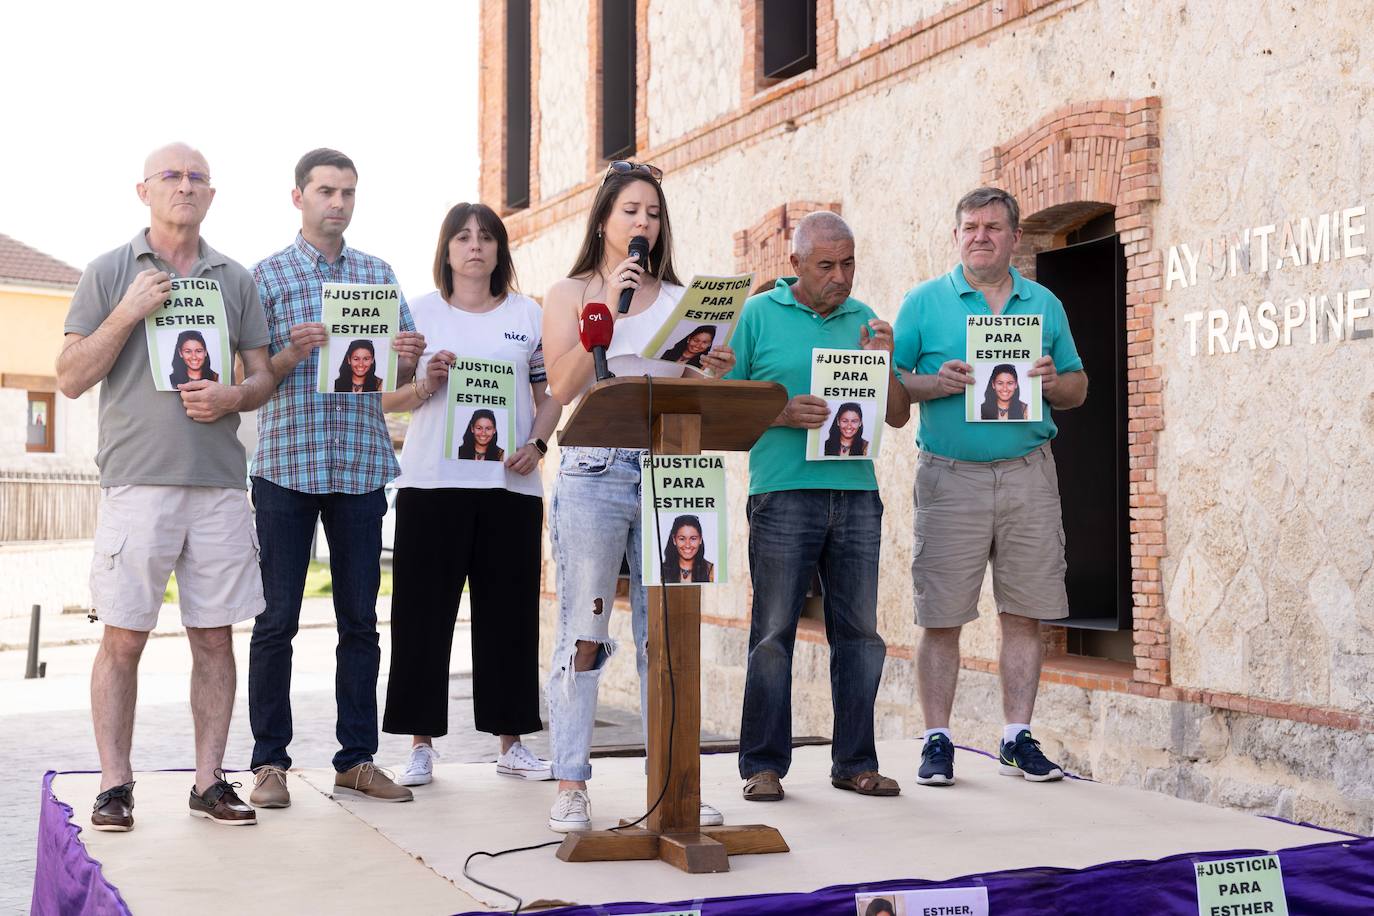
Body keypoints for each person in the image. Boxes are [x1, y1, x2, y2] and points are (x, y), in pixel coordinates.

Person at [57, 142, 279, 830]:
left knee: (215, 638)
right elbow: (67, 376)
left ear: (211, 195)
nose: (185, 187)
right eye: (172, 177)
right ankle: (115, 785)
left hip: (216, 485)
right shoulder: (108, 271)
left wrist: (232, 396)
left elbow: (264, 376)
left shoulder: (234, 279)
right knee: (123, 638)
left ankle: (210, 782)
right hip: (137, 481)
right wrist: (126, 312)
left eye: (197, 179)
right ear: (143, 191)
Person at [541, 160, 735, 832]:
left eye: (652, 213)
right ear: (603, 220)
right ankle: (570, 781)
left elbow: (693, 393)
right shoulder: (568, 292)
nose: (643, 224)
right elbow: (564, 388)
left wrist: (713, 368)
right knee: (585, 629)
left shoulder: (684, 298)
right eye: (630, 211)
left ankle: (675, 778)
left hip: (669, 471)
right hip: (594, 471)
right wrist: (604, 327)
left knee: (670, 634)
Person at [247, 149, 425, 807]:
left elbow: (404, 384)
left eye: (348, 192)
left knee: (360, 622)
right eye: (326, 191)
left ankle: (356, 760)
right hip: (286, 470)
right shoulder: (265, 277)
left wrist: (410, 359)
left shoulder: (378, 276)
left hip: (359, 468)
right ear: (298, 197)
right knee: (276, 622)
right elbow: (250, 382)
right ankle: (269, 764)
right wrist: (292, 351)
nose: (338, 203)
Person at [893, 187, 1088, 787]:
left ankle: (1015, 737)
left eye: (993, 227)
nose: (981, 236)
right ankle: (937, 739)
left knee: (1026, 613)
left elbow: (1079, 389)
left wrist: (1054, 382)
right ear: (956, 236)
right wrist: (933, 382)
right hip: (950, 477)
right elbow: (891, 393)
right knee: (942, 616)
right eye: (970, 227)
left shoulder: (1044, 304)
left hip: (1029, 471)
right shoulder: (924, 303)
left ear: (1014, 237)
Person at [729, 211, 910, 803]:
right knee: (773, 632)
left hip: (856, 495)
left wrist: (886, 362)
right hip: (782, 493)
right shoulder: (757, 315)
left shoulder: (866, 320)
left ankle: (856, 762)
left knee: (859, 636)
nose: (841, 276)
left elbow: (899, 413)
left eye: (849, 263)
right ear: (795, 265)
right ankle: (762, 765)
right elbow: (724, 403)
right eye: (827, 265)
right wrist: (779, 413)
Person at [380, 201, 560, 787]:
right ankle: (420, 745)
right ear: (447, 249)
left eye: (486, 237)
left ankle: (511, 743)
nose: (475, 246)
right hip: (432, 483)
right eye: (462, 237)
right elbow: (385, 396)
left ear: (500, 250)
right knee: (422, 617)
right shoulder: (418, 312)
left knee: (509, 616)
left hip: (510, 485)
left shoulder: (528, 315)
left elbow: (549, 394)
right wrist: (425, 382)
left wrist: (537, 443)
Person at [660, 514, 714, 584]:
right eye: (682, 539)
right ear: (674, 540)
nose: (687, 545)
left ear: (700, 539)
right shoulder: (660, 571)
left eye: (693, 539)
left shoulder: (712, 571)